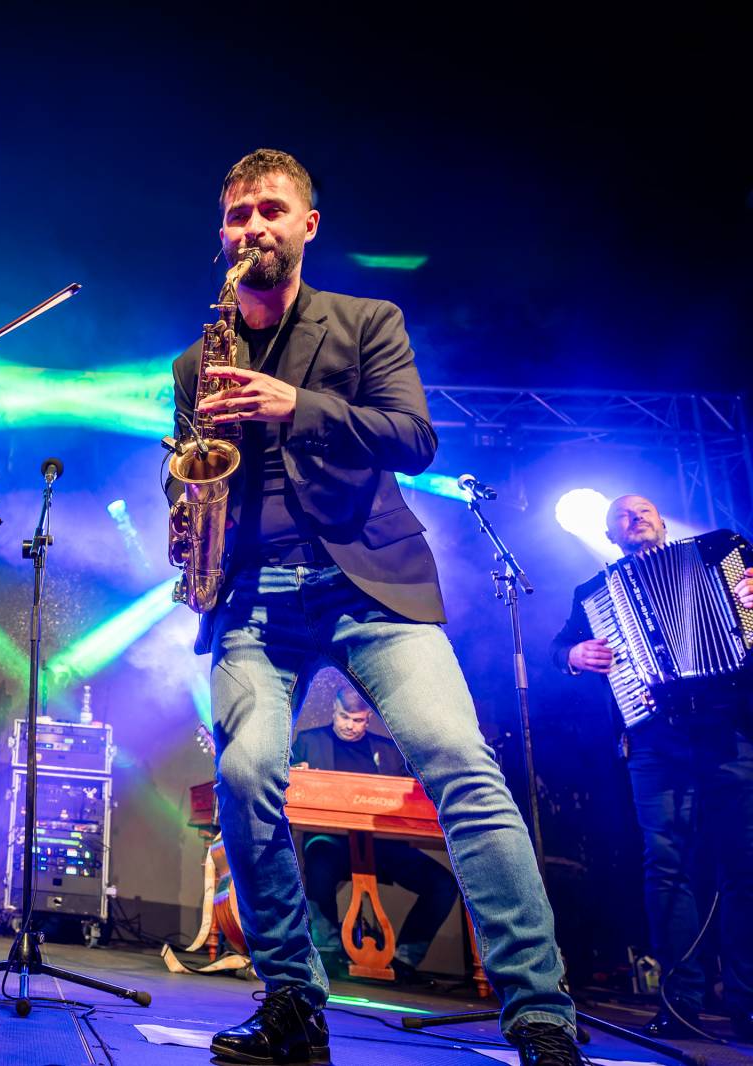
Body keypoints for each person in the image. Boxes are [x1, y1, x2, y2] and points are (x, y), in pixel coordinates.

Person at [170, 148, 580, 1065]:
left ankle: (541, 1013)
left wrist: (293, 404)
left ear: (307, 225)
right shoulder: (198, 357)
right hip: (250, 591)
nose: (252, 230)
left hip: (371, 582)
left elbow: (416, 439)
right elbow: (193, 475)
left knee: (460, 765)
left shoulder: (367, 322)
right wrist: (187, 519)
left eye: (270, 211)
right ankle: (290, 1002)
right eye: (237, 216)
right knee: (245, 779)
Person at [551, 494, 753, 1041]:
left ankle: (747, 1002)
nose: (634, 517)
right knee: (666, 866)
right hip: (653, 737)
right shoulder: (594, 594)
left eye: (643, 510)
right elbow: (562, 647)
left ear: (663, 521)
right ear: (609, 535)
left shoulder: (724, 551)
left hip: (729, 725)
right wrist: (575, 656)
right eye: (621, 515)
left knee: (744, 862)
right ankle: (682, 1002)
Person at [291, 682, 458, 983]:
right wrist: (298, 775)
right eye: (344, 717)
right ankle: (327, 953)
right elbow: (287, 784)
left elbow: (412, 793)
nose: (350, 726)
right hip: (332, 840)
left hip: (382, 845)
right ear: (333, 711)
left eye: (357, 721)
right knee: (319, 862)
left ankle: (404, 959)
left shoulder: (389, 752)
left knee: (444, 883)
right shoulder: (308, 741)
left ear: (368, 719)